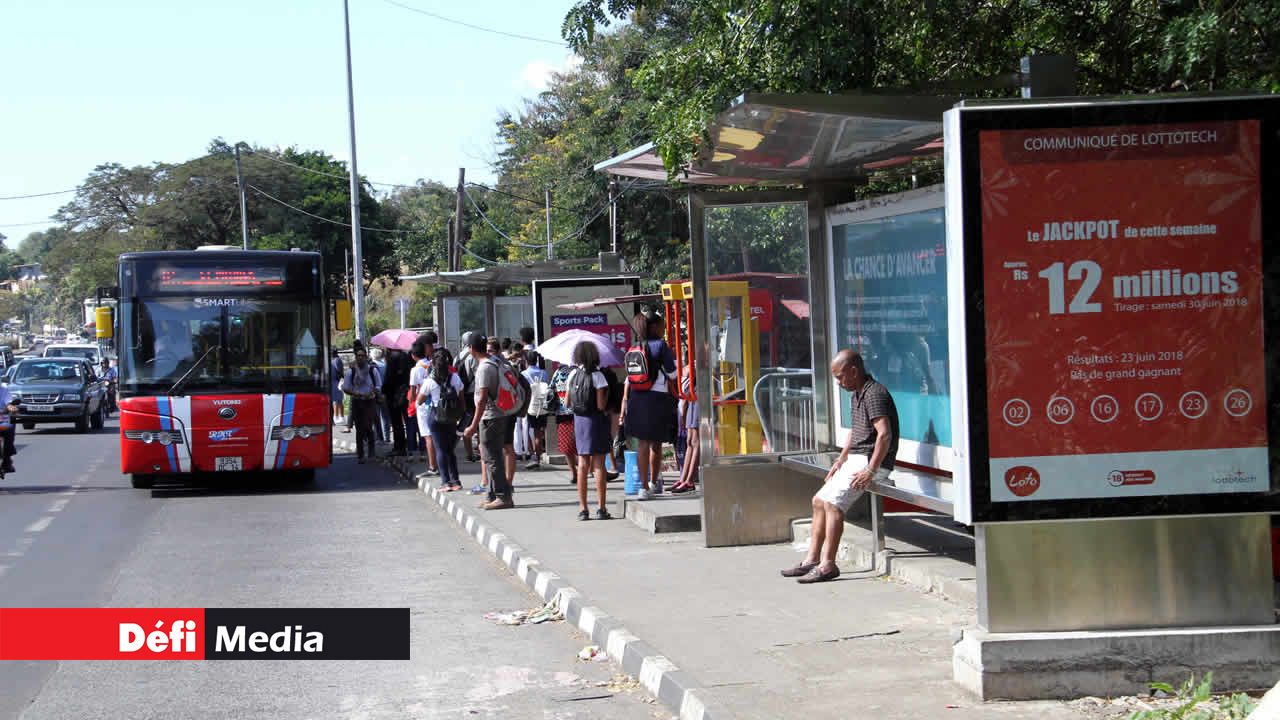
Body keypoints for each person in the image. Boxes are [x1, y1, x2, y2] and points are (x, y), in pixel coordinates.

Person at [782, 350, 899, 584]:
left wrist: (871, 470)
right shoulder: (857, 393)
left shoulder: (874, 394)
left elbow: (884, 435)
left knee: (834, 504)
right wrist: (841, 459)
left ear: (854, 371)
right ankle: (812, 560)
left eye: (839, 376)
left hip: (871, 461)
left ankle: (828, 565)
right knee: (819, 501)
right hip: (857, 458)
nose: (838, 382)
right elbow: (856, 432)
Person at [619, 313, 677, 500]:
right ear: (654, 327)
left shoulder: (634, 346)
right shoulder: (661, 345)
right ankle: (653, 483)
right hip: (657, 398)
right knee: (656, 444)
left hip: (637, 397)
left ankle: (642, 488)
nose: (664, 329)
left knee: (642, 443)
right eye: (662, 326)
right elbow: (673, 374)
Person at [461, 333, 514, 510]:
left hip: (490, 417)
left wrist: (473, 425)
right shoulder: (494, 361)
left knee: (492, 459)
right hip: (497, 415)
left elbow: (482, 399)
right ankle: (491, 495)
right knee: (490, 457)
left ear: (472, 349)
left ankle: (502, 496)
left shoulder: (484, 368)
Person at [569, 341, 613, 520]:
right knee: (599, 465)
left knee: (582, 465)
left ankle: (583, 509)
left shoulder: (572, 374)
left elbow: (568, 403)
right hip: (595, 421)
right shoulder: (598, 376)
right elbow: (601, 404)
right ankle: (601, 508)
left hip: (579, 422)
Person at [419, 347, 464, 491]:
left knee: (440, 449)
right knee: (450, 449)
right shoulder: (455, 377)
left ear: (433, 364)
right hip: (451, 417)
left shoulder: (429, 381)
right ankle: (456, 481)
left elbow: (419, 400)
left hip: (436, 416)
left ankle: (445, 482)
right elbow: (461, 398)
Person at [343, 345, 383, 464]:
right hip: (357, 401)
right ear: (356, 357)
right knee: (359, 429)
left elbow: (378, 385)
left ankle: (371, 452)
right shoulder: (351, 371)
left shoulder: (372, 370)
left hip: (369, 401)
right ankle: (360, 454)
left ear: (366, 357)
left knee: (369, 427)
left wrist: (373, 392)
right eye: (358, 356)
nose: (360, 358)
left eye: (362, 356)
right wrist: (357, 393)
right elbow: (346, 388)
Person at [409, 332, 439, 471]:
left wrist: (410, 401)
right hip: (437, 402)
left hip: (423, 405)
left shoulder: (415, 370)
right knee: (437, 435)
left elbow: (413, 392)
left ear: (413, 355)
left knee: (428, 436)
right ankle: (440, 463)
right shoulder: (434, 364)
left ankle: (432, 466)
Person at [671, 365, 699, 493]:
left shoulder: (691, 368)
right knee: (690, 442)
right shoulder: (690, 368)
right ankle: (684, 479)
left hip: (694, 398)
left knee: (694, 442)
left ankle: (689, 480)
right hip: (691, 399)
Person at [549, 361, 577, 484]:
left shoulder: (557, 372)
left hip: (562, 413)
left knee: (566, 447)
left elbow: (550, 390)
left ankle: (574, 473)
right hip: (578, 413)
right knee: (581, 446)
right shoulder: (578, 372)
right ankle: (584, 469)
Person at [382, 347, 413, 457]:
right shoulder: (406, 357)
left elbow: (388, 378)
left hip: (394, 395)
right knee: (408, 422)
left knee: (396, 423)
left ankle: (399, 447)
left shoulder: (392, 358)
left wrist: (383, 391)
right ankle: (410, 446)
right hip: (406, 393)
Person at [521, 350, 550, 470]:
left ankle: (533, 455)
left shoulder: (523, 374)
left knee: (526, 430)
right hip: (542, 405)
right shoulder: (544, 373)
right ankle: (537, 457)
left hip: (529, 405)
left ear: (526, 361)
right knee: (539, 432)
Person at [457, 331, 481, 465]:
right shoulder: (473, 356)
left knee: (466, 422)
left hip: (463, 394)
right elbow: (478, 376)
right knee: (478, 423)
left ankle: (469, 453)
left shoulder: (458, 357)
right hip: (473, 393)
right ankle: (480, 450)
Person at [0, 381, 18, 473]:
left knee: (10, 427)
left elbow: (9, 403)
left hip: (2, 420)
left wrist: (11, 407)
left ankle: (7, 459)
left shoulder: (3, 389)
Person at [329, 350, 345, 425]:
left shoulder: (336, 360)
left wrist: (340, 380)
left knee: (336, 401)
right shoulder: (336, 360)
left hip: (336, 382)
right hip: (336, 381)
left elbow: (339, 371)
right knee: (338, 400)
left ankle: (336, 417)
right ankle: (340, 417)